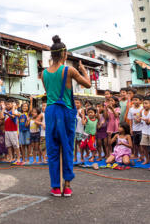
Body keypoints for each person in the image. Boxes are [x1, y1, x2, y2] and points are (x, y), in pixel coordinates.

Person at [41, 35, 91, 197]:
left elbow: (49, 94)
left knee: (53, 149)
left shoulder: (44, 74)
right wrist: (83, 70)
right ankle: (67, 185)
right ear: (65, 54)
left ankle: (55, 186)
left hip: (50, 111)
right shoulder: (69, 70)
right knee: (67, 148)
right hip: (65, 112)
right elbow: (88, 84)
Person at [0, 98, 21, 163]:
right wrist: (3, 108)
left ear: (12, 104)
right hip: (7, 131)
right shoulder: (6, 111)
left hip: (13, 131)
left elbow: (13, 116)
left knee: (15, 145)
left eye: (9, 104)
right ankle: (11, 157)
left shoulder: (15, 111)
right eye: (6, 105)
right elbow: (1, 117)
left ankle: (18, 158)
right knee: (8, 145)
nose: (7, 106)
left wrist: (13, 108)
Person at [127, 94, 144, 160]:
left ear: (140, 101)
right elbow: (130, 120)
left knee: (141, 144)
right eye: (133, 100)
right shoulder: (131, 109)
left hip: (142, 129)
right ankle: (136, 155)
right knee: (136, 144)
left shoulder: (142, 109)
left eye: (136, 100)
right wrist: (131, 129)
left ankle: (142, 156)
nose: (135, 101)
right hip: (134, 129)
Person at [140, 96, 150, 165]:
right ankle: (147, 159)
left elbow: (149, 122)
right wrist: (138, 119)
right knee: (144, 145)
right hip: (144, 131)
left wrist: (145, 120)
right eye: (143, 103)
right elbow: (139, 120)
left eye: (146, 103)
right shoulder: (142, 111)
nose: (144, 105)